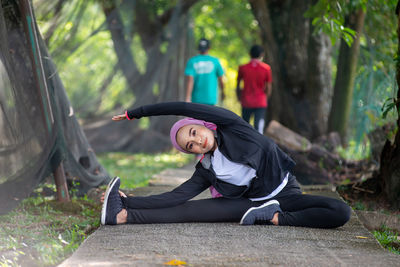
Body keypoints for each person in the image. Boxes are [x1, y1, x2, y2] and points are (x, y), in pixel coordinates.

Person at [102, 102, 351, 228]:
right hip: (250, 203)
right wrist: (129, 200)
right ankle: (122, 215)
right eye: (190, 146)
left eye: (192, 132)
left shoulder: (233, 126)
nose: (196, 141)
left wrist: (137, 112)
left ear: (200, 124)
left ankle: (274, 218)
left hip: (285, 195)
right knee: (188, 211)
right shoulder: (207, 169)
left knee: (341, 211)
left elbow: (183, 106)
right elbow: (175, 196)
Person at [236, 45, 272, 134]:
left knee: (244, 126)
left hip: (246, 100)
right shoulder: (266, 68)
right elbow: (268, 87)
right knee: (258, 127)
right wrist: (265, 98)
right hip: (260, 101)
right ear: (262, 54)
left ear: (249, 54)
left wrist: (239, 96)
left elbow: (238, 85)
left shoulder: (243, 68)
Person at [185, 38, 225, 105]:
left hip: (196, 99)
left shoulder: (192, 61)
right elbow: (221, 79)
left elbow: (190, 80)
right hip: (211, 99)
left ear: (198, 48)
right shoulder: (215, 61)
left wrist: (187, 98)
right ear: (209, 48)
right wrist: (223, 92)